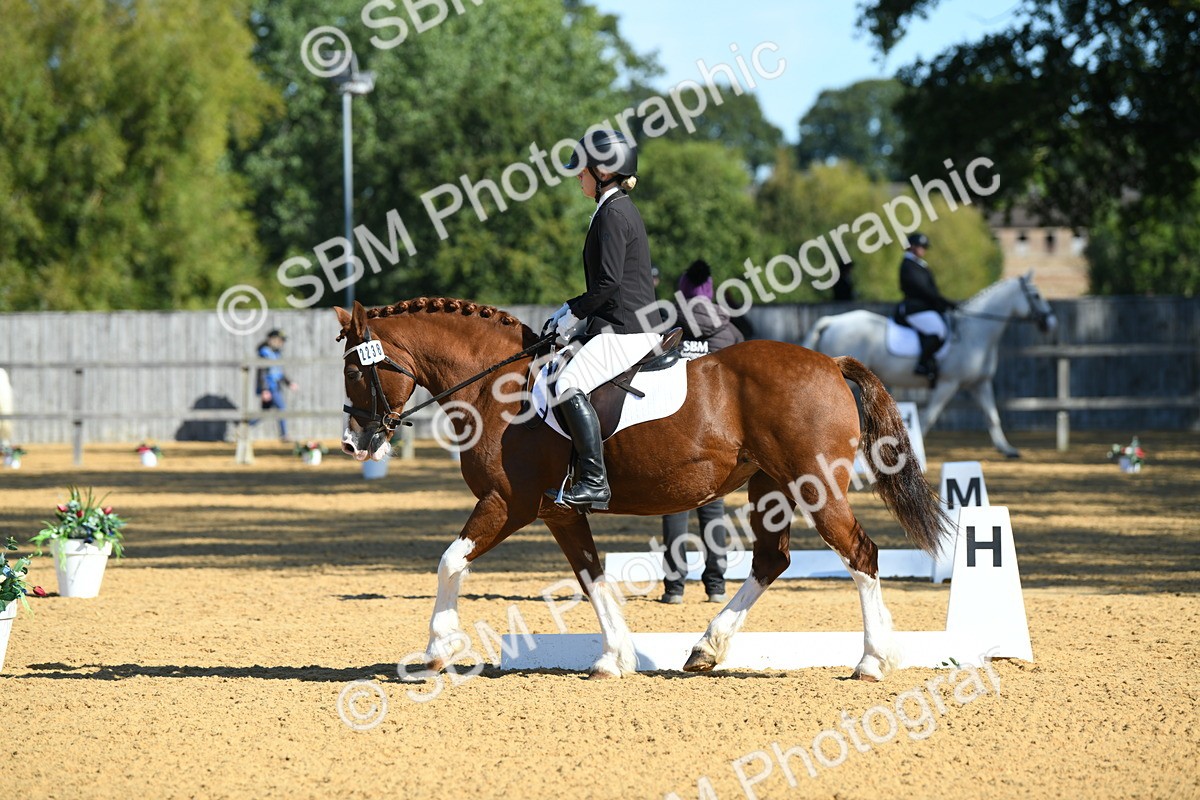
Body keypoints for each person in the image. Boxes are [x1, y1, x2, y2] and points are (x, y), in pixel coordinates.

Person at [543, 129, 658, 512]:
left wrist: (573, 311)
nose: (579, 176)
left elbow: (608, 283)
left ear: (605, 170)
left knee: (568, 383)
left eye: (583, 170)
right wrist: (571, 309)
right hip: (618, 323)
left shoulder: (613, 212)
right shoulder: (614, 207)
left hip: (626, 328)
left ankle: (594, 481)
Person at [660, 260, 744, 604]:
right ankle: (716, 586)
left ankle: (675, 588)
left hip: (673, 429)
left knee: (672, 506)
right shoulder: (730, 333)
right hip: (718, 434)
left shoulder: (666, 327)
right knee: (714, 508)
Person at [897, 232, 956, 386]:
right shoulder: (908, 266)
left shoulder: (921, 265)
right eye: (919, 246)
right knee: (938, 331)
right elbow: (922, 289)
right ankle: (922, 364)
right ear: (912, 247)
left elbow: (932, 289)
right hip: (914, 309)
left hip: (926, 308)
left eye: (924, 247)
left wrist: (942, 302)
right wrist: (941, 301)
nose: (922, 250)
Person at [256, 329, 298, 441]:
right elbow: (262, 372)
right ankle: (284, 435)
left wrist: (289, 383)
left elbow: (279, 372)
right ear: (272, 340)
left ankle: (243, 426)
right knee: (282, 408)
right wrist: (265, 390)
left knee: (263, 414)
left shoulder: (276, 353)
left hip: (275, 386)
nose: (282, 343)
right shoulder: (264, 352)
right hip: (270, 387)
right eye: (280, 340)